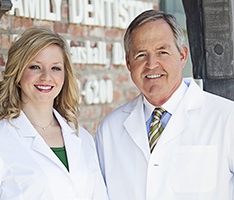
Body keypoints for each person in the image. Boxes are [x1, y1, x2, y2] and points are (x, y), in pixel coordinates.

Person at [95, 9, 234, 200]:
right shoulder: (109, 130)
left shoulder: (226, 118)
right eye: (141, 55)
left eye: (162, 52)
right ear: (128, 63)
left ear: (182, 55)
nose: (152, 64)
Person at [0, 27, 108, 200]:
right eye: (35, 67)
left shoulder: (84, 139)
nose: (46, 77)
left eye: (56, 68)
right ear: (18, 73)